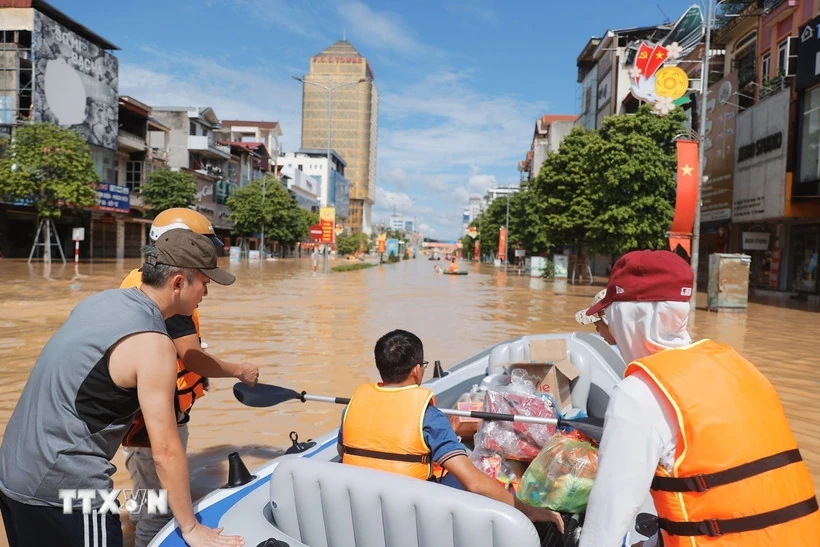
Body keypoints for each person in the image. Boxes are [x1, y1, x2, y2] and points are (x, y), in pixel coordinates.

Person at [0, 229, 244, 547]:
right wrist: (191, 527)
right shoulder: (153, 344)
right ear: (178, 283)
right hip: (66, 490)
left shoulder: (100, 302)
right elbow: (166, 452)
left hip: (12, 474)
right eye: (205, 283)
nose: (206, 293)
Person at [578, 250, 819, 547]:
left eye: (611, 316)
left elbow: (604, 528)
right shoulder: (737, 365)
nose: (609, 332)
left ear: (628, 316)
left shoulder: (638, 393)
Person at [119, 208, 258, 547]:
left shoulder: (140, 281)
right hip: (156, 419)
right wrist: (239, 370)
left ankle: (133, 529)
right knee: (160, 514)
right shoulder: (171, 301)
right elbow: (193, 358)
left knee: (144, 493)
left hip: (132, 418)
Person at [337, 329, 564, 531]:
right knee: (476, 474)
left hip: (361, 505)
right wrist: (528, 510)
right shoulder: (428, 416)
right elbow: (474, 483)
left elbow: (343, 451)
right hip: (411, 512)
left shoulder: (353, 407)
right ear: (416, 370)